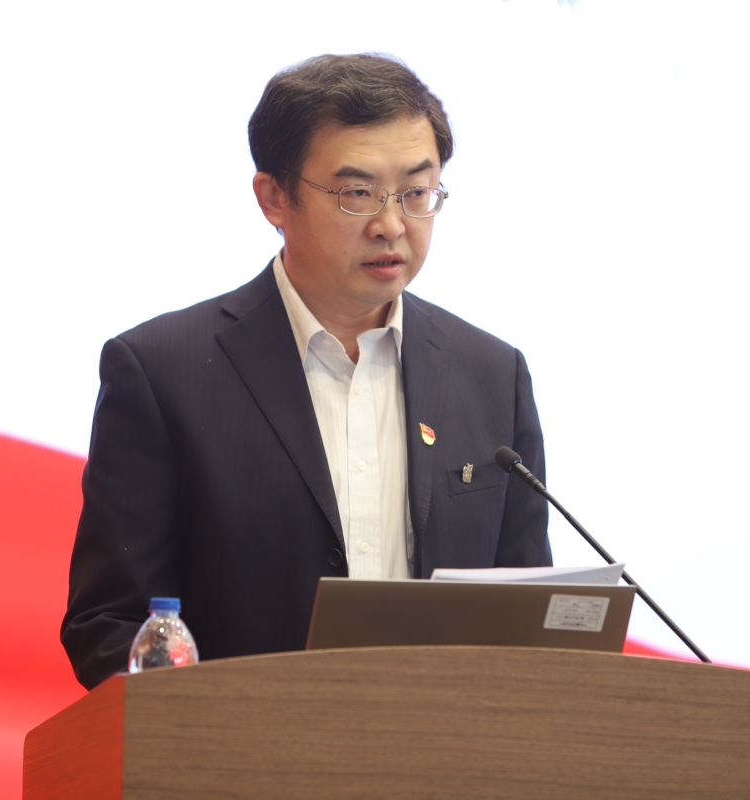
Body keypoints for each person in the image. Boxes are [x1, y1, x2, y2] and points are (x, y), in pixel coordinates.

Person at [62, 53, 552, 690]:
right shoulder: (164, 372)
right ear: (274, 197)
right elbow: (111, 625)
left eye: (416, 193)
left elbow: (531, 621)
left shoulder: (492, 374)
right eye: (357, 194)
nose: (391, 225)